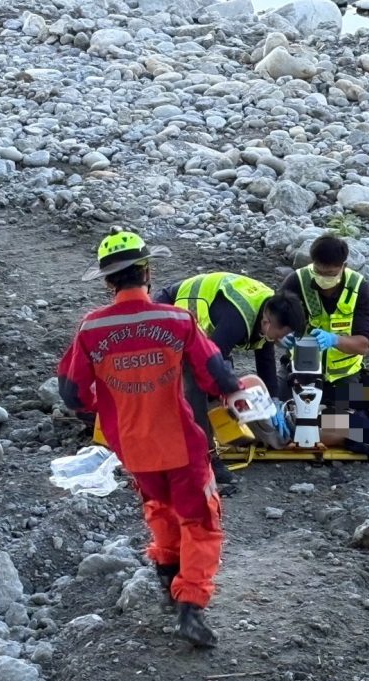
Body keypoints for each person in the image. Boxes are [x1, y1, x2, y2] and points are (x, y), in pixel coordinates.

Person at [56, 229, 244, 649]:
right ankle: (191, 605)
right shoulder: (176, 320)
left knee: (159, 507)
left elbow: (71, 394)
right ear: (148, 271)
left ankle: (166, 574)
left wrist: (106, 406)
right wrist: (236, 394)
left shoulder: (91, 329)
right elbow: (216, 374)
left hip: (133, 448)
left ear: (108, 282)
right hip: (182, 442)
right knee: (200, 519)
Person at [152, 272, 304, 484]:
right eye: (281, 334)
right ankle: (205, 456)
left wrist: (275, 399)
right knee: (198, 383)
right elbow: (207, 363)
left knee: (221, 382)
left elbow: (265, 357)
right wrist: (229, 390)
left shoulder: (271, 307)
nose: (282, 340)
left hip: (206, 329)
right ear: (267, 322)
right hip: (167, 312)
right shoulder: (237, 320)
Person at [280, 234, 369, 406]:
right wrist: (280, 337)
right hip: (299, 369)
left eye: (330, 273)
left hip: (343, 375)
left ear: (343, 266)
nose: (324, 278)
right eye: (319, 272)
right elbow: (272, 323)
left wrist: (334, 340)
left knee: (345, 426)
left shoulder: (359, 289)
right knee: (277, 412)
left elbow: (363, 345)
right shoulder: (296, 282)